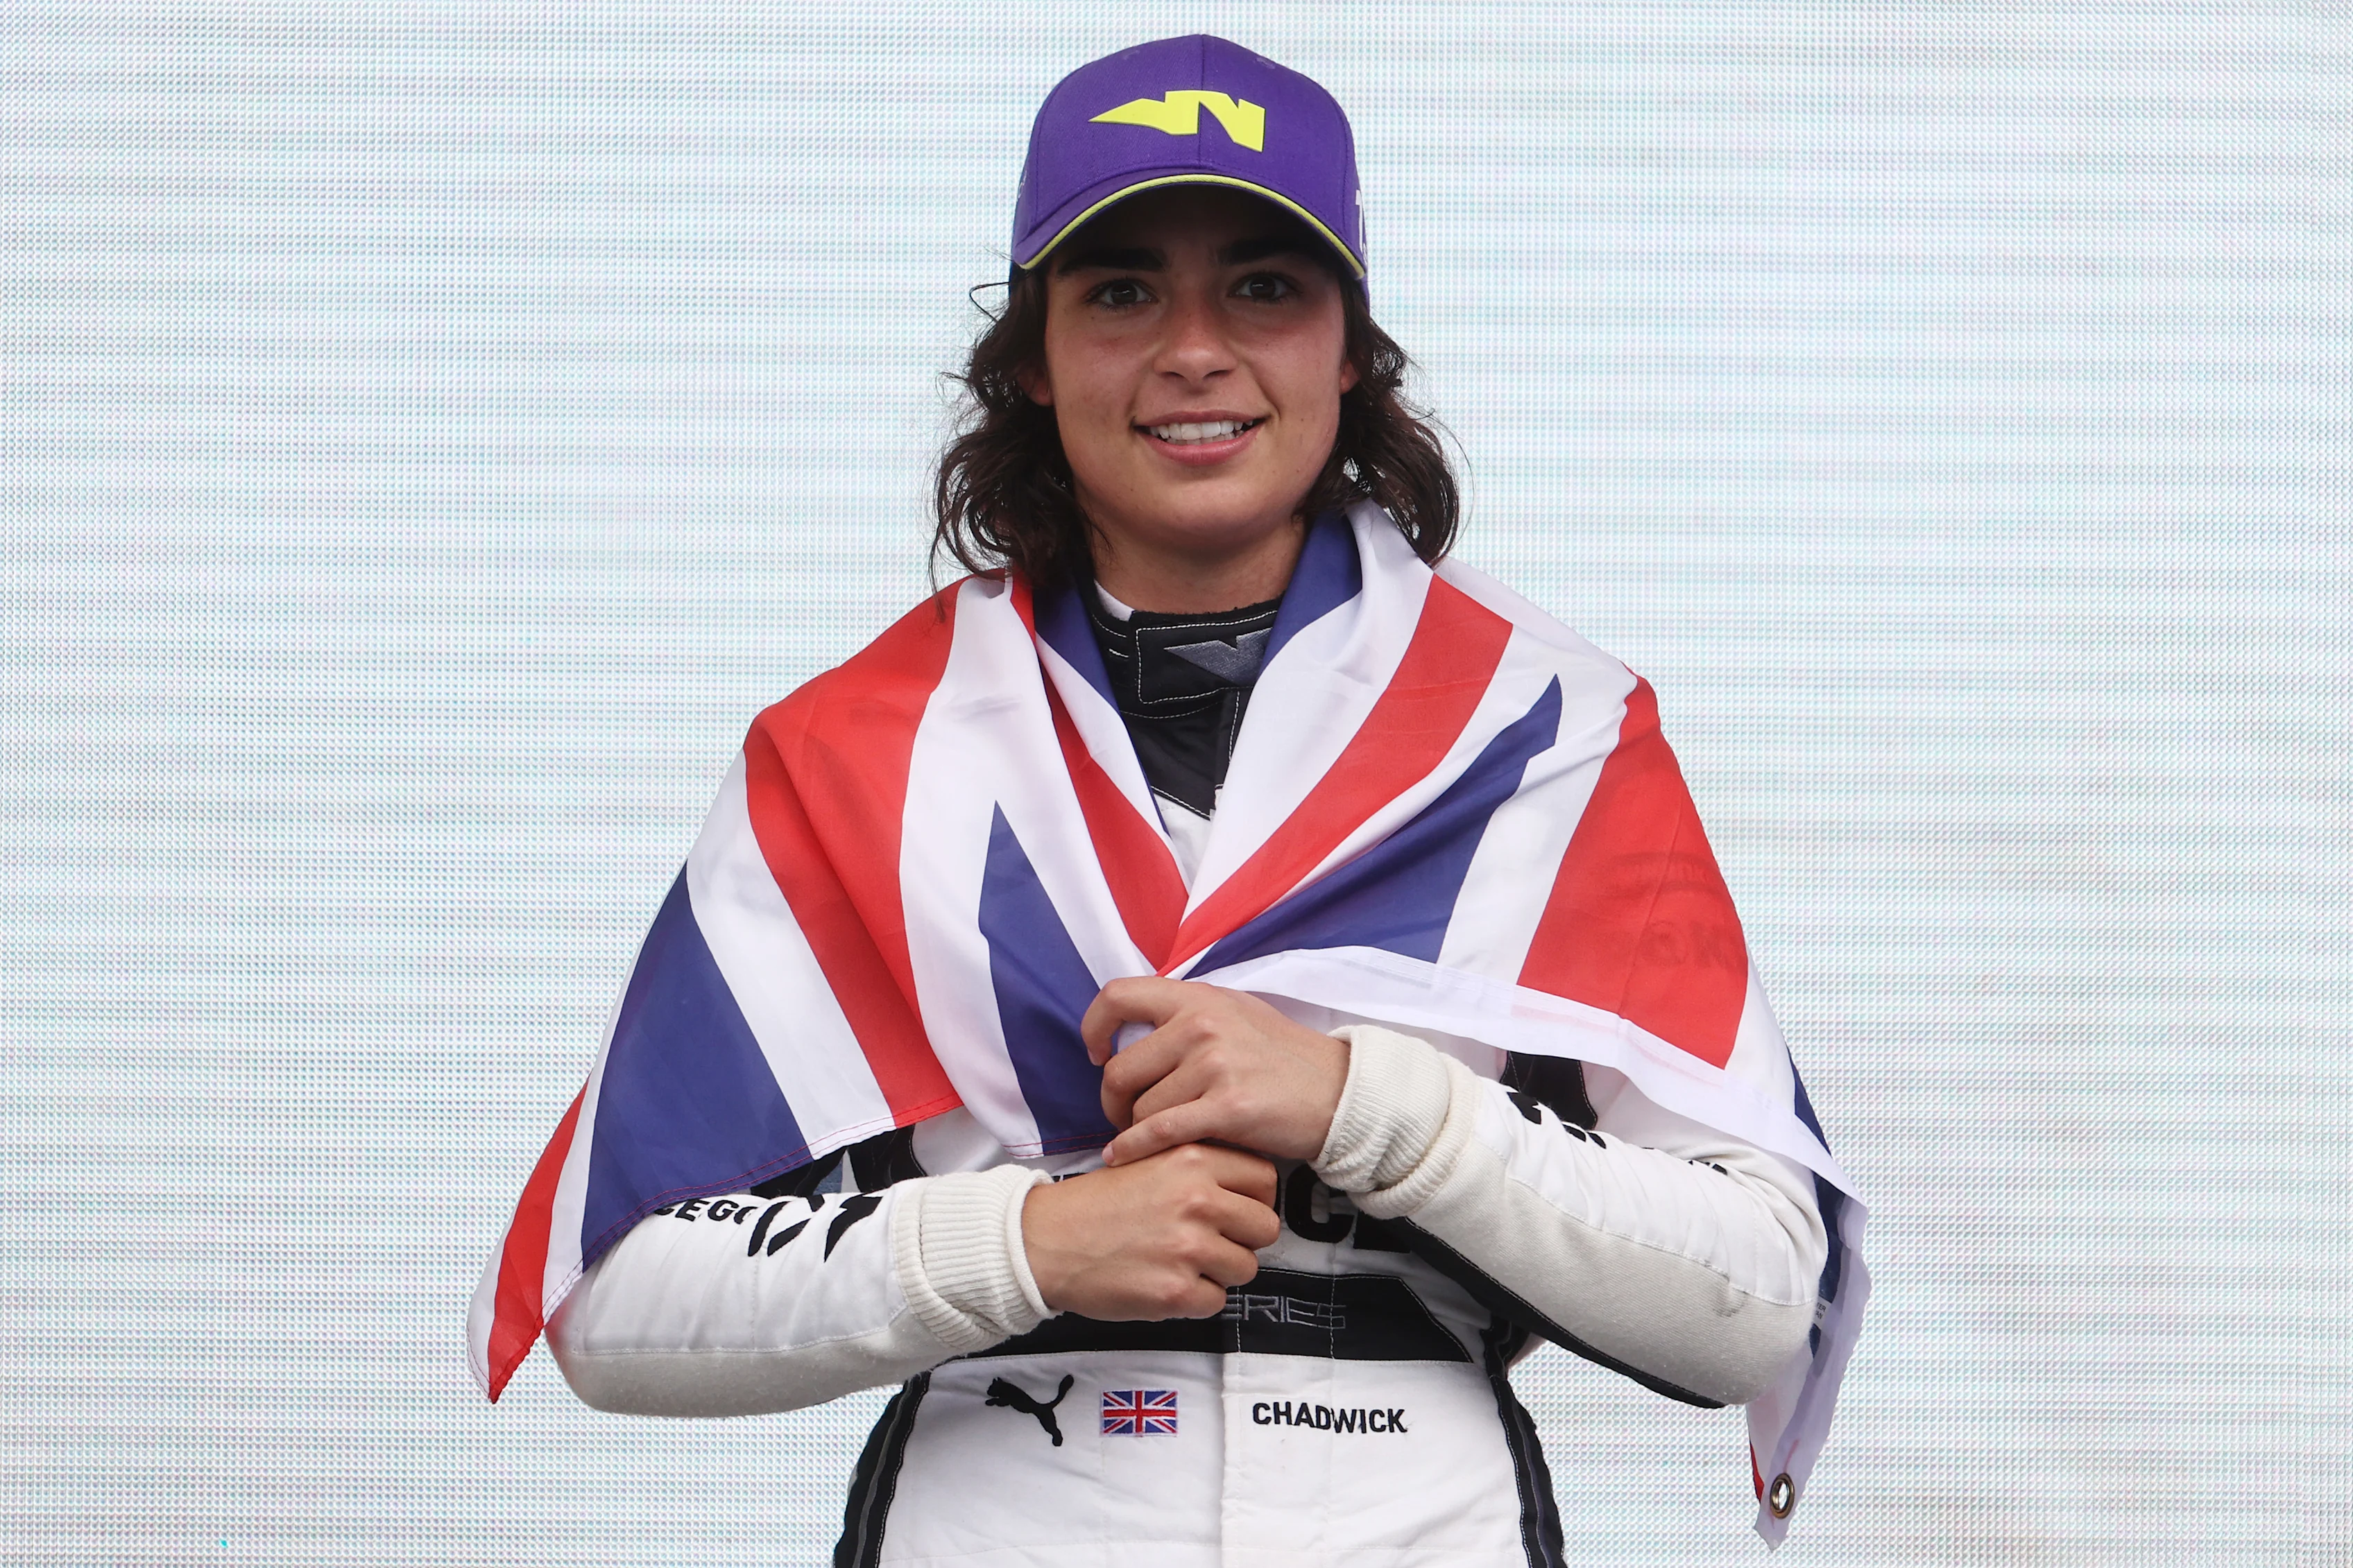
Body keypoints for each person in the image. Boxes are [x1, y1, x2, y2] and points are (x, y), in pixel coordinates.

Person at [470, 34, 1867, 1567]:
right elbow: (610, 1294)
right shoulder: (857, 750)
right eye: (1122, 289)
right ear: (1029, 352)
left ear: (1350, 348)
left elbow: (1753, 1290)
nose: (1194, 349)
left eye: (1264, 285)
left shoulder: (1546, 731)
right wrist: (1016, 1242)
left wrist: (1368, 1108)